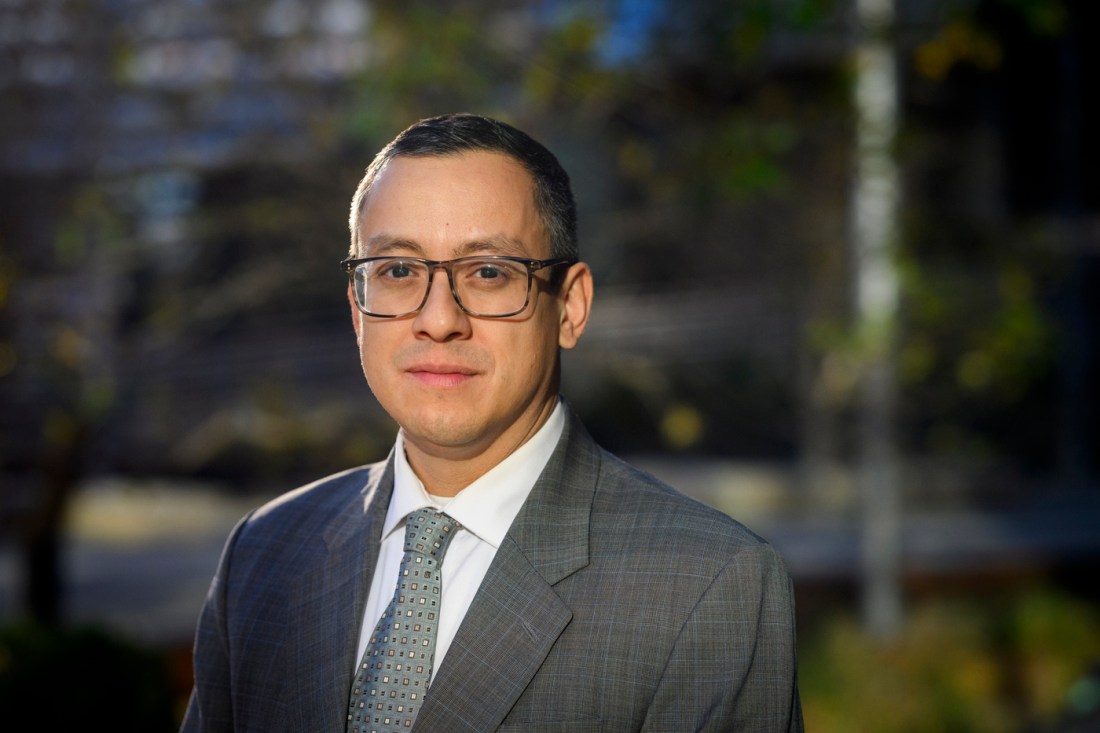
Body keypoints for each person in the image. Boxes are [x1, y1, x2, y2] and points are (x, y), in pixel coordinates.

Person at [181, 113, 803, 732]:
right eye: (398, 270)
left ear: (571, 307)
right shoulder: (262, 554)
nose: (439, 319)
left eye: (488, 272)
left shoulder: (709, 585)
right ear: (357, 309)